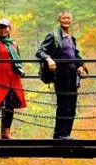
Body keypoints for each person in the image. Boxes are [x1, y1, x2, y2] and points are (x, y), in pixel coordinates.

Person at [36, 10, 88, 139]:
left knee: (72, 104)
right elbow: (40, 51)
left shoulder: (71, 38)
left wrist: (80, 65)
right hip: (60, 73)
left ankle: (66, 134)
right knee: (63, 104)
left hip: (72, 73)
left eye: (69, 18)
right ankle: (59, 134)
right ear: (59, 20)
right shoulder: (53, 36)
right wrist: (49, 59)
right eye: (64, 18)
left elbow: (75, 54)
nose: (66, 20)